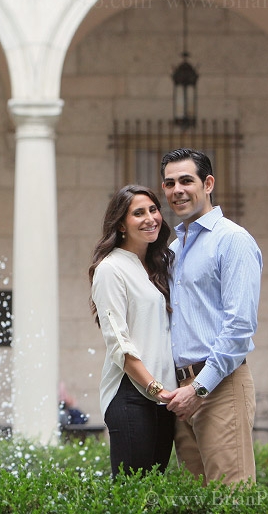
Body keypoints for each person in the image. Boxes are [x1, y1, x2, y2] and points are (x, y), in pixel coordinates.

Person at [160, 148, 262, 485]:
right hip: (181, 392)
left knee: (230, 497)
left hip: (218, 386)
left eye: (186, 180)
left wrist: (199, 388)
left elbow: (240, 326)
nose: (178, 190)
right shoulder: (175, 249)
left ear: (208, 184)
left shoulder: (232, 240)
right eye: (170, 183)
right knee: (198, 500)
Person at [88, 184, 177, 477]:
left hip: (163, 398)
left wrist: (166, 392)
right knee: (131, 495)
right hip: (132, 394)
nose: (150, 218)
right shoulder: (111, 268)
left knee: (154, 494)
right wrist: (154, 387)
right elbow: (119, 344)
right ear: (121, 225)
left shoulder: (156, 265)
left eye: (153, 210)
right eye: (138, 213)